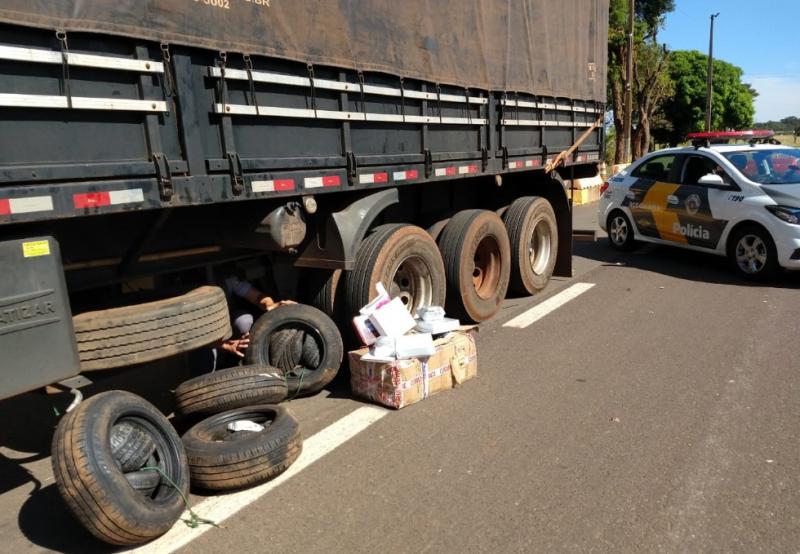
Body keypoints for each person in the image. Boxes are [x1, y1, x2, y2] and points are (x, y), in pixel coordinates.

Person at [194, 272, 294, 371]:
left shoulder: (226, 279)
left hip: (222, 324)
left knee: (244, 321)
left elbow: (257, 297)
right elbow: (193, 333)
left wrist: (272, 305)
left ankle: (236, 358)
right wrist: (224, 346)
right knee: (207, 359)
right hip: (200, 334)